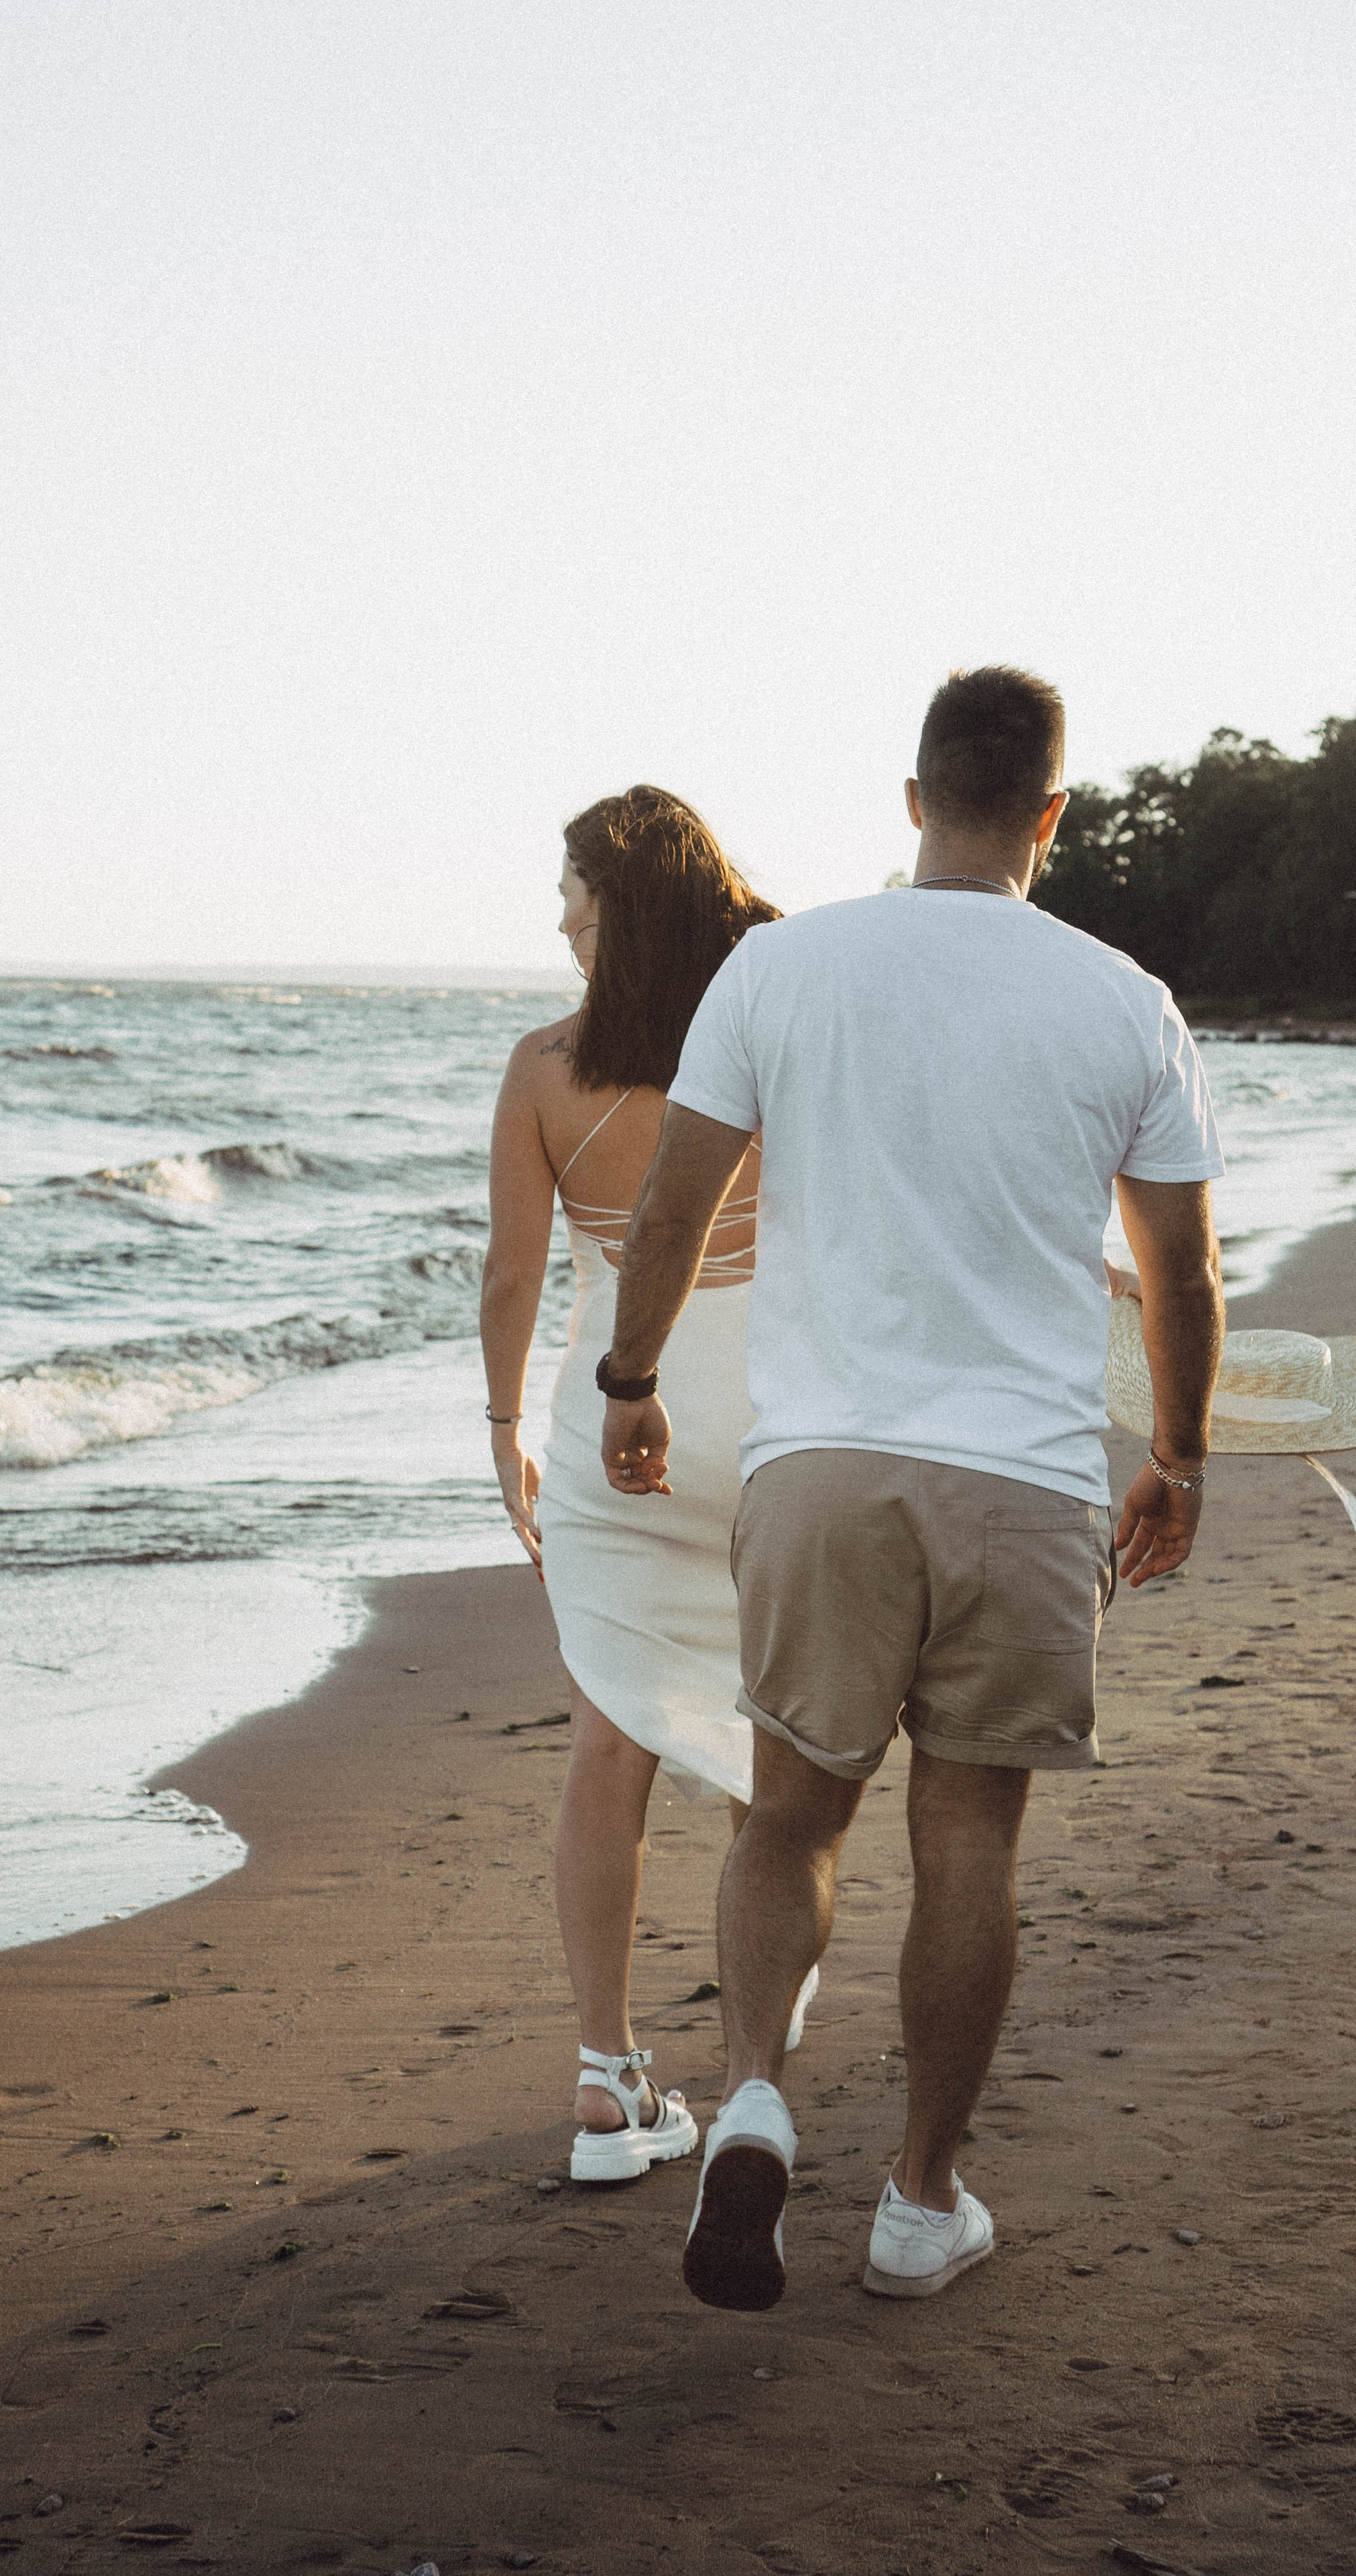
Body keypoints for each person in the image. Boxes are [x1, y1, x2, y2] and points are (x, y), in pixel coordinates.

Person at [598, 668, 1226, 2306]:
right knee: (967, 1848)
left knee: (789, 1812)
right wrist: (1178, 1458)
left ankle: (748, 2100)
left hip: (822, 1472)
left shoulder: (779, 967)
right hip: (1017, 1484)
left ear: (909, 799)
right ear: (1051, 813)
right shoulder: (1123, 1002)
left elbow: (673, 1207)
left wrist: (628, 1385)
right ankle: (916, 2202)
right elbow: (1179, 1273)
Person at [480, 786, 813, 2184]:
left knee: (609, 1743)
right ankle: (752, 2076)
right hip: (779, 1414)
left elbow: (510, 1274)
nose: (559, 918)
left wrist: (502, 1429)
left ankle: (608, 2082)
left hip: (623, 1412)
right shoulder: (780, 1028)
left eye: (576, 892)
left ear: (628, 903)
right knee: (768, 1747)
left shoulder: (543, 1069)